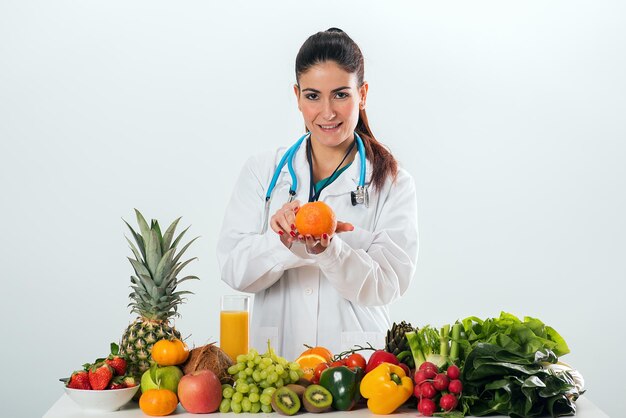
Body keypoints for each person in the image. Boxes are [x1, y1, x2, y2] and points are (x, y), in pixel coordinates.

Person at [217, 28, 418, 362]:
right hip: (275, 361)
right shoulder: (263, 171)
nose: (327, 112)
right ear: (297, 96)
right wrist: (278, 240)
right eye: (312, 96)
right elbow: (233, 270)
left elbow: (388, 283)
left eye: (341, 94)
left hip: (357, 364)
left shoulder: (393, 182)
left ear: (363, 94)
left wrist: (331, 250)